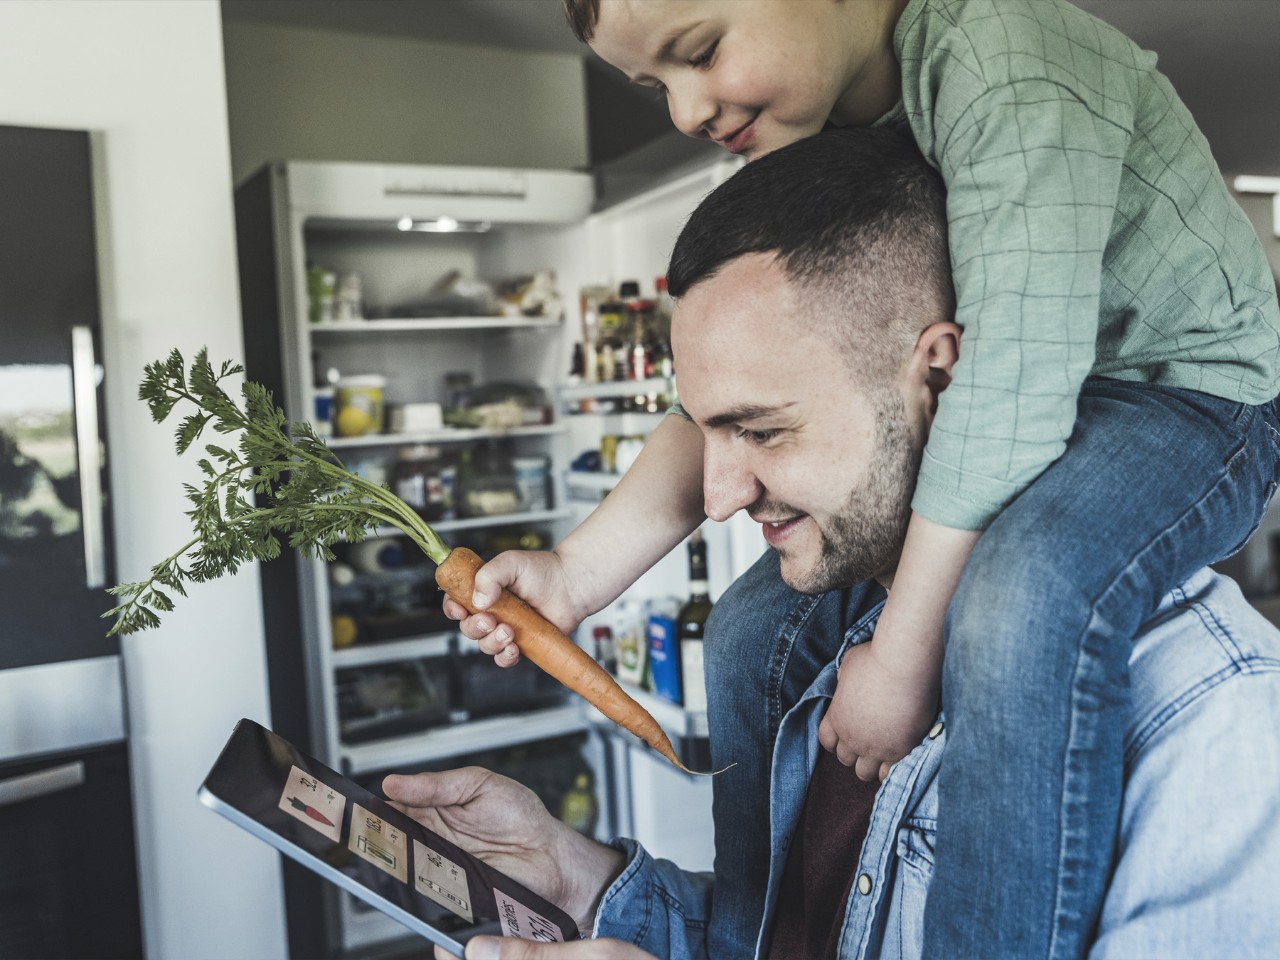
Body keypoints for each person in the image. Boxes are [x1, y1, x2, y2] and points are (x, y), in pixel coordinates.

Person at [448, 2, 1280, 955]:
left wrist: (901, 660)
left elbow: (1009, 389)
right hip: (1030, 396)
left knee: (1020, 599)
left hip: (1185, 399)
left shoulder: (1006, 62)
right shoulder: (835, 125)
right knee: (752, 627)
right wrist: (574, 576)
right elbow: (731, 395)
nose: (683, 111)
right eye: (655, 84)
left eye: (701, 52)